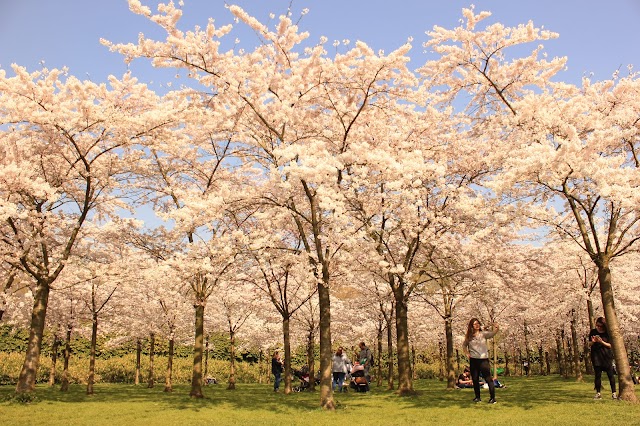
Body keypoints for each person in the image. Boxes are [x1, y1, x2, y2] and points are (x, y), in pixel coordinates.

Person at [462, 317, 499, 404]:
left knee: (488, 379)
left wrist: (497, 328)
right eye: (475, 324)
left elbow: (493, 334)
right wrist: (467, 353)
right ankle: (477, 397)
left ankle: (493, 398)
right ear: (471, 326)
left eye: (478, 323)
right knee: (475, 379)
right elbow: (464, 345)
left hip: (483, 360)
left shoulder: (483, 334)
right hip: (474, 360)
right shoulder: (469, 337)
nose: (477, 325)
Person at [589, 316, 617, 399]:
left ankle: (614, 393)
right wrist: (593, 342)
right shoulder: (593, 332)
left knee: (610, 375)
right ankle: (598, 393)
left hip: (606, 356)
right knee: (597, 375)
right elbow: (589, 344)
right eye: (597, 325)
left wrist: (602, 342)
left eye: (600, 326)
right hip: (596, 356)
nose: (598, 327)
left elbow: (610, 345)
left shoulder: (607, 333)